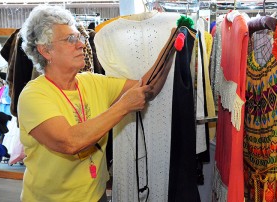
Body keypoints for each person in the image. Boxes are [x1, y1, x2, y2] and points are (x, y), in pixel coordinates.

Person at [18, 5, 172, 202]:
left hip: (96, 196)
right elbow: (69, 141)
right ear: (46, 50)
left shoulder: (91, 81)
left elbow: (146, 88)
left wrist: (170, 47)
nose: (82, 44)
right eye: (70, 39)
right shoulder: (34, 95)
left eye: (79, 38)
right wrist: (123, 106)